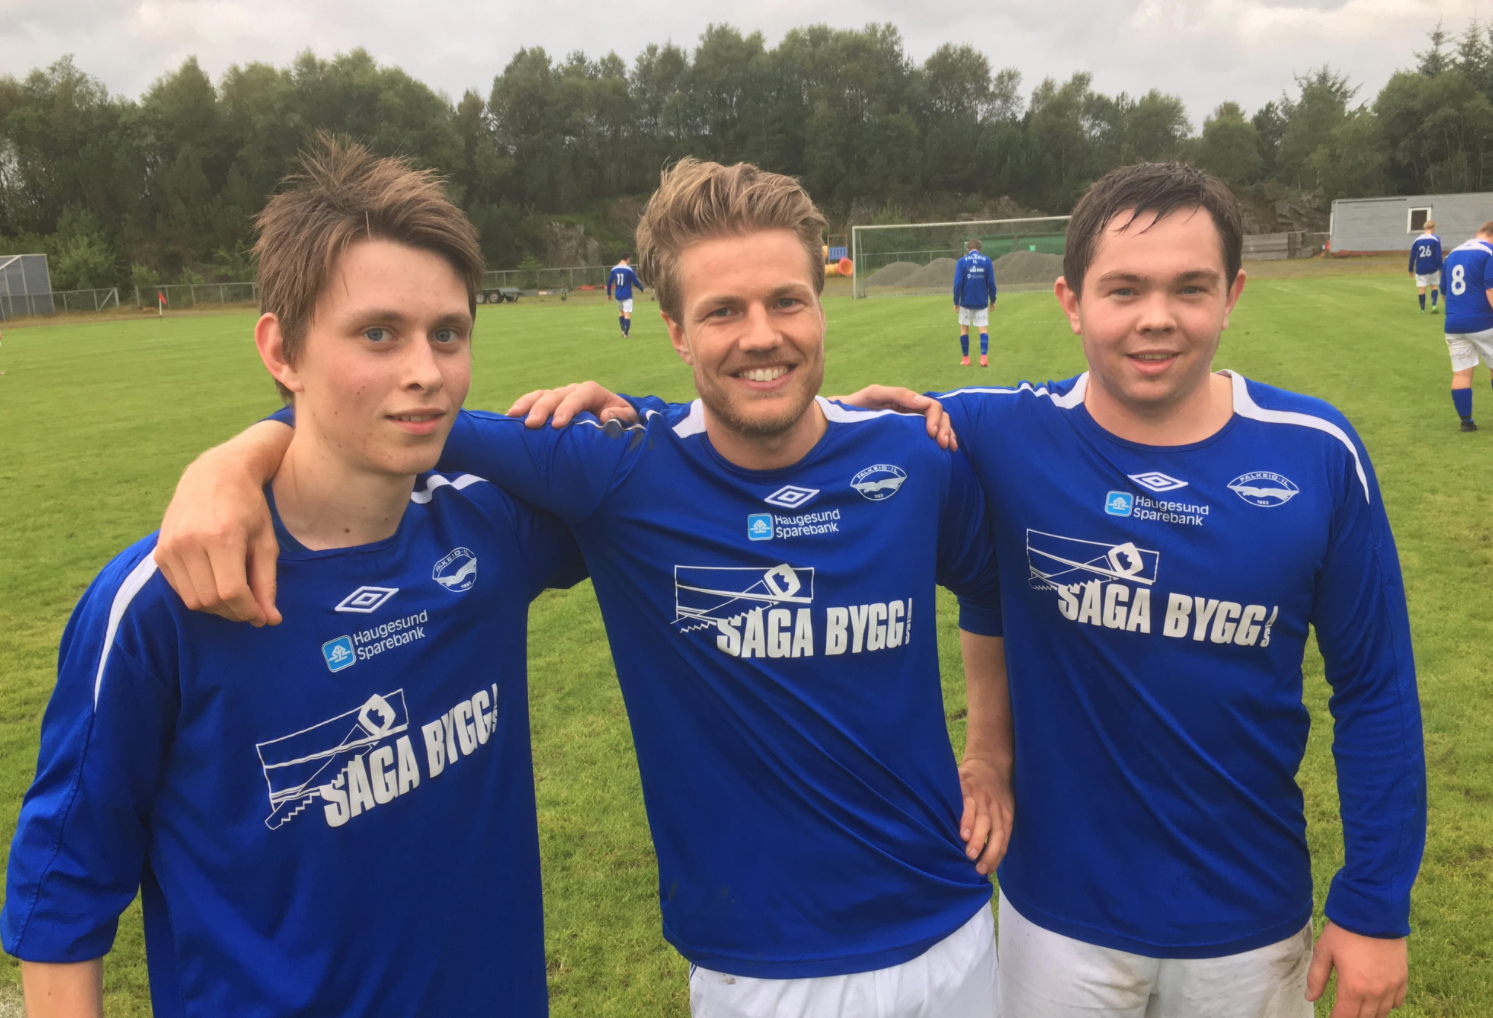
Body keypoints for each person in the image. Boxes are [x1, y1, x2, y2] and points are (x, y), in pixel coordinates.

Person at [152, 157, 1014, 1018]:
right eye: (723, 311)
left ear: (819, 307)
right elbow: (385, 415)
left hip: (951, 926)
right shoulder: (619, 467)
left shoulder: (913, 454)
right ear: (675, 331)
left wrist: (988, 755)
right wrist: (234, 460)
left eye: (786, 301)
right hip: (761, 965)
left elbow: (989, 587)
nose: (761, 336)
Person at [1, 138, 586, 1017]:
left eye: (448, 334)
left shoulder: (492, 527)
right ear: (281, 350)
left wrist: (620, 419)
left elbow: (677, 476)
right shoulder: (167, 598)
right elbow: (62, 892)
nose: (425, 371)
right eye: (377, 334)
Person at [839, 162, 1425, 1018]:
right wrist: (634, 420)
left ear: (1231, 294)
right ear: (1072, 301)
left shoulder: (1316, 453)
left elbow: (1374, 688)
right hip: (1057, 917)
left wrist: (1373, 903)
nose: (1156, 317)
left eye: (1189, 287)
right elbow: (785, 444)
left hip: (1249, 919)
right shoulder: (994, 432)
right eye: (1124, 289)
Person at [1439, 221, 1493, 432]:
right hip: (1483, 322)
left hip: (1454, 323)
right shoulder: (1488, 253)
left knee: (1461, 373)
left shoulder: (1452, 254)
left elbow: (1444, 293)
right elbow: (1491, 290)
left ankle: (1466, 422)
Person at [953, 238, 997, 367]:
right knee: (982, 328)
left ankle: (966, 359)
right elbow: (991, 282)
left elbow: (958, 283)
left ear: (967, 249)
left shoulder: (962, 262)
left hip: (966, 301)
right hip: (981, 301)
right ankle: (983, 358)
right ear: (980, 249)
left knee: (964, 328)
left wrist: (956, 300)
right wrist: (993, 299)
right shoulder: (987, 261)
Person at [607, 252, 645, 337]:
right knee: (627, 313)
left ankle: (623, 331)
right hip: (627, 294)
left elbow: (609, 283)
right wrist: (641, 288)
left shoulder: (614, 269)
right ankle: (626, 334)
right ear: (627, 259)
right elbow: (635, 281)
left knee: (621, 312)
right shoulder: (629, 269)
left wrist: (609, 294)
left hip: (618, 294)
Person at [1408, 221, 1442, 313]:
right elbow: (1438, 255)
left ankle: (1422, 309)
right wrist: (1440, 268)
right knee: (1434, 286)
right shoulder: (1435, 239)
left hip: (1421, 268)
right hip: (1433, 267)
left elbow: (1412, 256)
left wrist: (1410, 269)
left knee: (1422, 288)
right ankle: (1434, 306)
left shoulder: (1417, 240)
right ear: (1433, 228)